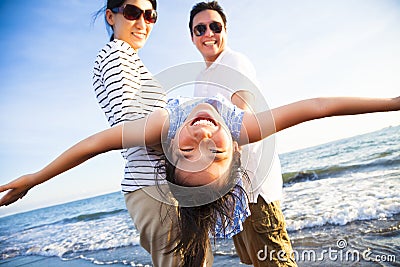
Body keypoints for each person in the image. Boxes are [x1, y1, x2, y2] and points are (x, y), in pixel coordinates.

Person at [1, 92, 399, 264]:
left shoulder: (163, 125)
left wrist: (34, 178)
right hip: (233, 110)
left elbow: (93, 145)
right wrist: (392, 104)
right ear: (237, 149)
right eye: (215, 152)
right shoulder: (242, 128)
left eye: (188, 153)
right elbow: (318, 107)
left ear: (171, 149)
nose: (203, 137)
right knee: (244, 98)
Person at [188, 2, 296, 266]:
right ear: (192, 37)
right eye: (200, 29)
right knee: (254, 261)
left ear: (225, 29)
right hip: (232, 191)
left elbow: (242, 106)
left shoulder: (234, 61)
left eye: (215, 26)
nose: (208, 34)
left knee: (275, 262)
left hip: (254, 189)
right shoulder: (200, 79)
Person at [94, 0, 190, 265]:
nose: (142, 23)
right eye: (132, 12)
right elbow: (134, 125)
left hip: (159, 183)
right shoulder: (117, 54)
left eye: (150, 15)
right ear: (110, 17)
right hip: (154, 185)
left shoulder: (129, 59)